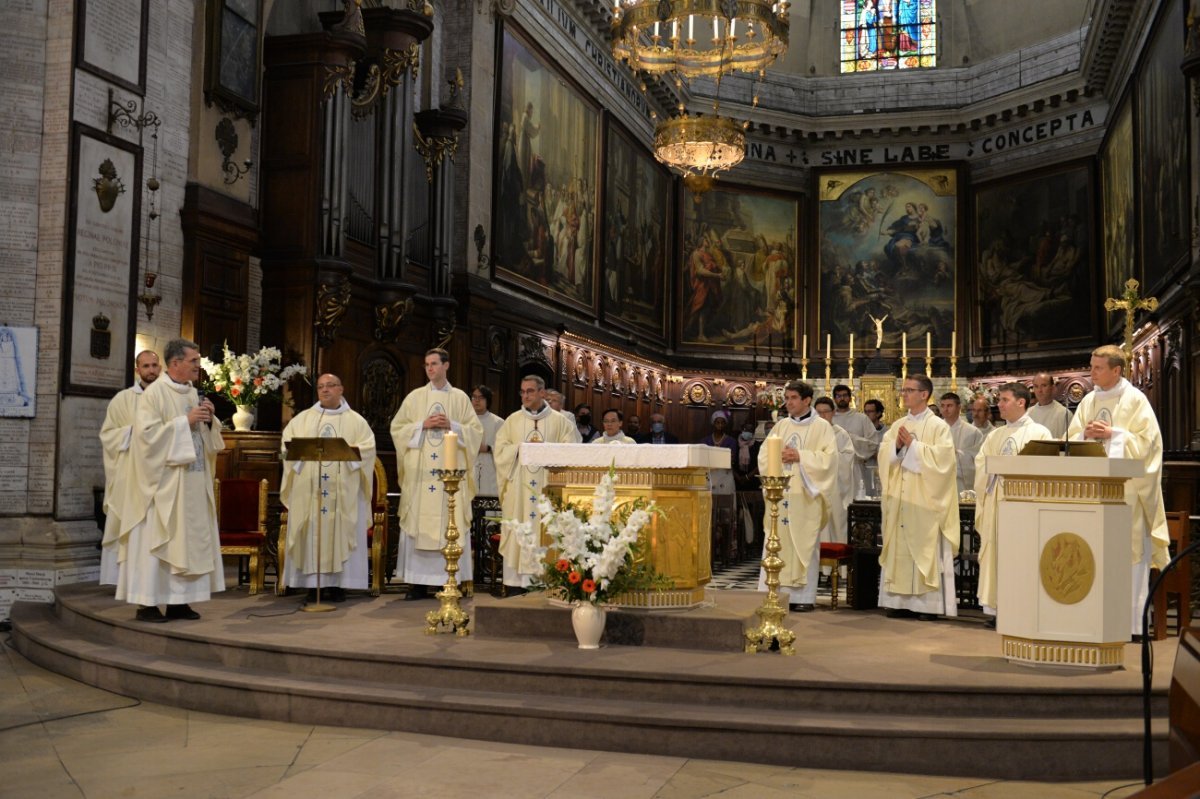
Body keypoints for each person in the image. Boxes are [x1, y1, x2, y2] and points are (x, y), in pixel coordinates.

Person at [112, 338, 224, 623]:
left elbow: (205, 437)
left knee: (186, 544)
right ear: (176, 364)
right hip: (162, 486)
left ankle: (178, 602)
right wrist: (184, 422)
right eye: (194, 361)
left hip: (192, 483)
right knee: (158, 543)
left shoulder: (191, 392)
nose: (199, 366)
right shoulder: (155, 394)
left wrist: (209, 420)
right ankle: (146, 604)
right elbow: (145, 437)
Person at [1067, 345, 1169, 636]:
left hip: (1127, 495)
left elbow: (1149, 444)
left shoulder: (1135, 400)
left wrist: (1113, 435)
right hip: (1092, 494)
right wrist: (1085, 434)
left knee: (1129, 554)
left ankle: (1131, 624)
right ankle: (1093, 618)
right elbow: (1073, 436)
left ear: (1116, 370)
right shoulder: (1088, 400)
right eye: (1091, 366)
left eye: (1098, 368)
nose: (1092, 372)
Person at [390, 349, 483, 600]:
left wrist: (451, 425)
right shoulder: (415, 397)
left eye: (434, 364)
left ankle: (448, 580)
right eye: (427, 364)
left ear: (446, 366)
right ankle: (416, 583)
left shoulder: (460, 398)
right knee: (417, 524)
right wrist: (422, 425)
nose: (430, 369)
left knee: (449, 522)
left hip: (449, 479)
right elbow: (397, 429)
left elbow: (475, 432)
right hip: (421, 477)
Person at [280, 373, 376, 602]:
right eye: (321, 387)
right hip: (309, 491)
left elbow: (368, 449)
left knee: (341, 530)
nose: (325, 390)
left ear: (341, 389)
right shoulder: (302, 420)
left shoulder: (356, 421)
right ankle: (312, 586)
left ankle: (338, 585)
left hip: (342, 493)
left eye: (330, 386)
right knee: (311, 531)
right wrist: (301, 455)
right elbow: (287, 448)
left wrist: (347, 454)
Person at [878, 374, 960, 621]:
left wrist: (914, 446)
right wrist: (898, 448)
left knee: (924, 547)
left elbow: (945, 461)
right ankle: (898, 601)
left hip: (925, 500)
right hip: (900, 498)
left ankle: (927, 605)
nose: (903, 394)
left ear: (924, 394)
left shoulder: (938, 426)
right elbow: (883, 454)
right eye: (903, 390)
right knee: (899, 546)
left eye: (908, 390)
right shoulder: (897, 424)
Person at [973, 382, 1051, 627]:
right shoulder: (995, 435)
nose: (1000, 405)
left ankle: (1022, 608)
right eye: (999, 400)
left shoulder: (1040, 433)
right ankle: (997, 609)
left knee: (1021, 555)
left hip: (1023, 506)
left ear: (1021, 402)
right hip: (996, 504)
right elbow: (980, 464)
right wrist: (994, 469)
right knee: (997, 554)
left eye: (1005, 400)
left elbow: (1045, 469)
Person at [757, 380, 838, 612]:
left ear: (806, 400)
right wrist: (776, 463)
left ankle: (802, 597)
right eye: (787, 397)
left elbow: (830, 460)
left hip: (805, 496)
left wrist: (801, 457)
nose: (788, 402)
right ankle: (773, 593)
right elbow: (764, 456)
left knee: (805, 543)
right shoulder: (781, 426)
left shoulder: (822, 427)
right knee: (777, 542)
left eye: (793, 398)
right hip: (781, 497)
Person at [494, 375, 577, 594]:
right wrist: (520, 449)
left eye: (530, 391)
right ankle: (515, 585)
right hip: (519, 493)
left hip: (548, 493)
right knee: (519, 532)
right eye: (522, 392)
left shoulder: (561, 422)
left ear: (542, 393)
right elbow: (500, 451)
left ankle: (547, 581)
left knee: (547, 531)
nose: (525, 396)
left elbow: (573, 453)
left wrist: (546, 450)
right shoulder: (512, 420)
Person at [99, 349, 161, 585]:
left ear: (161, 368)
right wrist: (135, 432)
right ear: (137, 370)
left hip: (158, 476)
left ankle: (151, 579)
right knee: (127, 523)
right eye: (146, 366)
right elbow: (108, 435)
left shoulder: (166, 397)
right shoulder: (123, 399)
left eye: (155, 366)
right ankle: (120, 579)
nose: (151, 371)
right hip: (130, 475)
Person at [814, 397, 855, 548]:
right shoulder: (811, 434)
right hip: (814, 488)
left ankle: (836, 567)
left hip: (835, 489)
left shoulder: (841, 434)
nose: (822, 416)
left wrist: (827, 460)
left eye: (826, 412)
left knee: (836, 524)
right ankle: (814, 568)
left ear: (833, 413)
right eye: (818, 412)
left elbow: (847, 458)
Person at [830, 384, 873, 500]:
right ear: (834, 399)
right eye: (838, 396)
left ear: (850, 398)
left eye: (845, 395)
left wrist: (850, 438)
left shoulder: (862, 418)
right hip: (834, 469)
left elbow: (872, 444)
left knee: (856, 501)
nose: (842, 398)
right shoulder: (830, 419)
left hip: (856, 468)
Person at [938, 392, 984, 494]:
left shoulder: (973, 432)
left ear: (959, 407)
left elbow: (980, 460)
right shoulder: (934, 429)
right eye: (943, 406)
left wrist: (956, 453)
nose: (945, 409)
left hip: (962, 485)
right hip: (939, 482)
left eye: (949, 406)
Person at [471, 385, 504, 497]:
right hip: (469, 468)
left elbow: (505, 448)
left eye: (481, 398)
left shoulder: (498, 422)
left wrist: (488, 448)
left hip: (489, 468)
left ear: (488, 401)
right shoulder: (465, 422)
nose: (477, 401)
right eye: (474, 397)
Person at [1027, 372, 1073, 438]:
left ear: (1052, 388)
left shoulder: (1064, 414)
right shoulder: (1027, 414)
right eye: (1036, 386)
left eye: (1044, 386)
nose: (1039, 390)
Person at [861, 398, 887, 495]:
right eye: (865, 411)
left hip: (880, 472)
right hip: (863, 472)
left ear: (878, 413)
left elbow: (888, 455)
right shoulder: (861, 431)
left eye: (870, 411)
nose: (867, 414)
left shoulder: (887, 433)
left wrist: (870, 452)